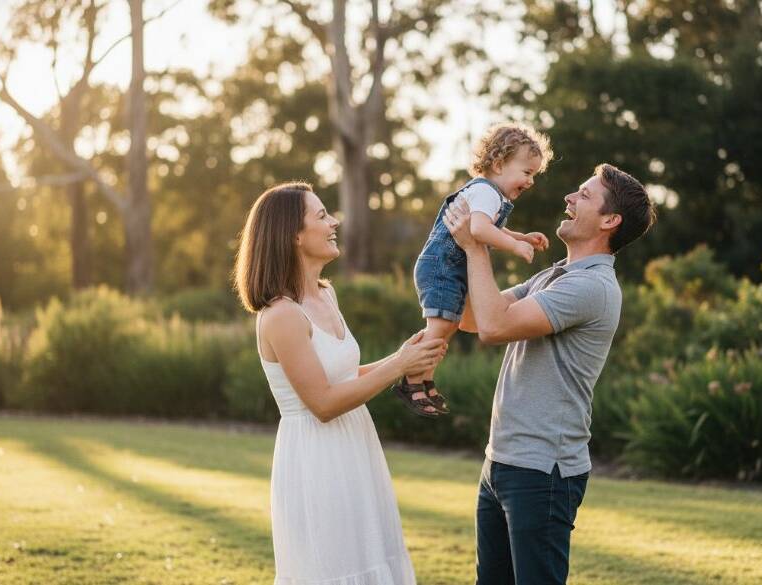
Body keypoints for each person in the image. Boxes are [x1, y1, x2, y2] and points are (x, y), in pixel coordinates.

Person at [444, 164, 657, 584]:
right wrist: (463, 242)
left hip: (543, 472)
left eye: (583, 194)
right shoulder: (552, 275)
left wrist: (476, 247)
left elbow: (494, 328)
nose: (569, 198)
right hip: (502, 461)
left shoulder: (591, 288)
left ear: (609, 221)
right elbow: (471, 317)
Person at [233, 181, 446, 585]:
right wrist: (398, 364)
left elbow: (346, 376)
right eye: (321, 215)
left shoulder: (326, 295)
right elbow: (324, 403)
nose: (333, 222)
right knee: (335, 568)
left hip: (355, 447)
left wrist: (406, 358)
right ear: (293, 236)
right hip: (316, 459)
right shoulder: (281, 316)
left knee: (372, 555)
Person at [393, 123, 554, 418]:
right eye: (527, 173)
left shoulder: (490, 195)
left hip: (448, 269)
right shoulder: (485, 192)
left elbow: (488, 228)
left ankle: (426, 380)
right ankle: (410, 381)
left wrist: (521, 237)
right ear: (498, 164)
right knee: (439, 329)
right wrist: (514, 247)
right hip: (443, 268)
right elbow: (479, 229)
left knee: (446, 329)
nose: (530, 182)